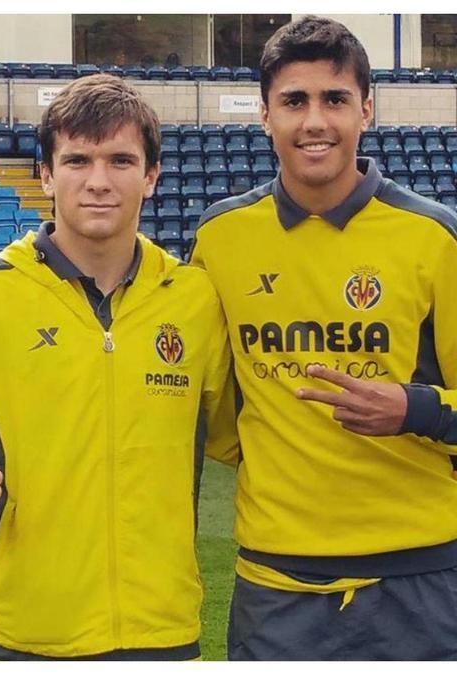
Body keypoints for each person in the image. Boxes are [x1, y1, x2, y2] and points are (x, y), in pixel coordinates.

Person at [0, 73, 235, 661]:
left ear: (151, 174)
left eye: (120, 160)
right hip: (12, 641)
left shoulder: (193, 301)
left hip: (161, 637)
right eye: (76, 160)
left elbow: (242, 434)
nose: (98, 181)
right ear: (45, 173)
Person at [191, 16, 457, 660]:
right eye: (294, 101)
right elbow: (211, 399)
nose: (315, 121)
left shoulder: (434, 237)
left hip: (419, 579)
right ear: (265, 115)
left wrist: (412, 408)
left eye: (334, 99)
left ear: (367, 108)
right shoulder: (220, 240)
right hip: (278, 583)